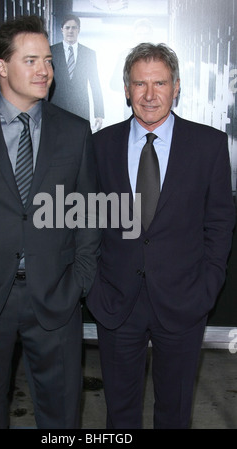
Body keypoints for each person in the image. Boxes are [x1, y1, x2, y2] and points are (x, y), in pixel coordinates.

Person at [0, 15, 100, 429]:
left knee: (62, 415)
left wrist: (80, 278)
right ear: (1, 65)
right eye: (31, 60)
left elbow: (88, 213)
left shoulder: (75, 132)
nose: (45, 69)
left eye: (47, 59)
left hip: (56, 297)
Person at [87, 43, 235, 429]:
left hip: (185, 300)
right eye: (139, 84)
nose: (149, 95)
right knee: (119, 413)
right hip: (116, 301)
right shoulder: (99, 146)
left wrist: (208, 285)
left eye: (159, 83)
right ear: (126, 90)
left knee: (176, 411)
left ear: (176, 86)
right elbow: (85, 221)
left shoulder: (209, 145)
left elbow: (219, 223)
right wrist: (93, 286)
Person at [49, 14, 104, 131]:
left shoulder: (88, 54)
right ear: (61, 30)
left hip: (80, 109)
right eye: (67, 27)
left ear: (78, 30)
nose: (70, 31)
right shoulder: (51, 52)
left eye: (74, 28)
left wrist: (99, 113)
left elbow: (95, 84)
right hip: (56, 108)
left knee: (78, 144)